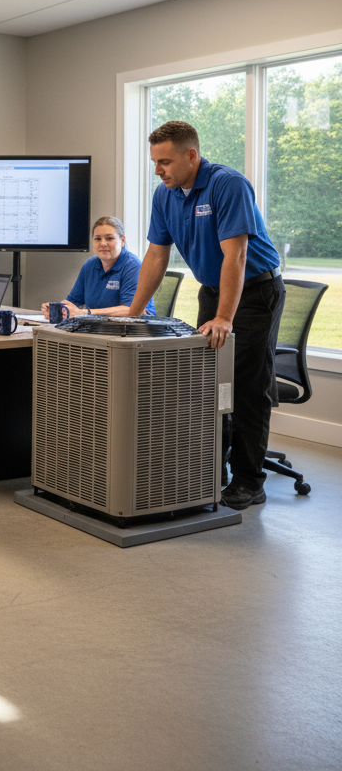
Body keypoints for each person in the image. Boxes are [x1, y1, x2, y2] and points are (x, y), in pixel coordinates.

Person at [128, 121, 285, 511]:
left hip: (254, 291)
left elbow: (237, 255)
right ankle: (208, 472)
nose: (158, 170)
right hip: (213, 290)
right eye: (154, 163)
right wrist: (132, 315)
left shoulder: (227, 184)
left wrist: (225, 319)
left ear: (191, 155)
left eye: (164, 162)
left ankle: (249, 480)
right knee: (208, 385)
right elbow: (156, 256)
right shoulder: (164, 196)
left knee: (247, 384)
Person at [44, 216, 156, 317]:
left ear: (122, 241)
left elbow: (131, 311)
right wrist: (57, 309)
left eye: (109, 238)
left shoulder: (132, 266)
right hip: (99, 330)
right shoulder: (89, 265)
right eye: (97, 239)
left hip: (132, 333)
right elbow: (72, 302)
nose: (103, 243)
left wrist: (85, 312)